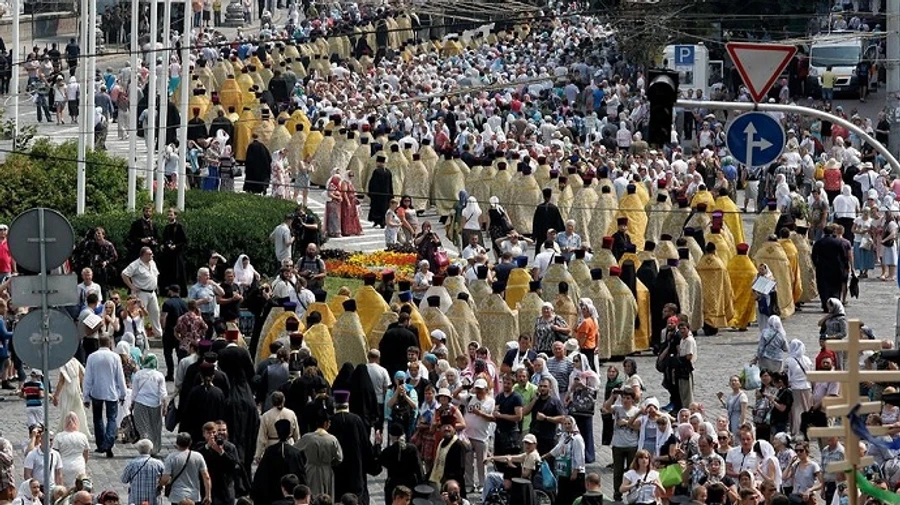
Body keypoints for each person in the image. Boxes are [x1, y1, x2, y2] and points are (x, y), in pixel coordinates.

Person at [82, 335, 127, 458]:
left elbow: (88, 378)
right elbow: (120, 377)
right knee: (111, 418)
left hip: (96, 391)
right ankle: (108, 443)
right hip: (111, 391)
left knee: (98, 419)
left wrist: (85, 396)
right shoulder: (115, 357)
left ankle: (101, 443)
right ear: (110, 343)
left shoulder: (92, 357)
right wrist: (123, 393)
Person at [252, 419, 307, 505]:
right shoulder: (295, 453)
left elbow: (261, 476)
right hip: (292, 495)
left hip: (272, 495)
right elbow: (301, 474)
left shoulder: (270, 451)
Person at [295, 412, 343, 498]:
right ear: (325, 423)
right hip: (326, 470)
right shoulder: (332, 439)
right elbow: (339, 458)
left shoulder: (307, 438)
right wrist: (330, 463)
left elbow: (295, 449)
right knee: (327, 495)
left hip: (311, 469)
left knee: (313, 495)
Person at [121, 246, 162, 338]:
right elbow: (124, 274)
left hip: (152, 292)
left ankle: (158, 333)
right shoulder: (135, 264)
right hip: (141, 292)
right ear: (143, 255)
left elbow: (156, 275)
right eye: (150, 254)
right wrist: (131, 286)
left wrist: (156, 286)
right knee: (140, 313)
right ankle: (141, 334)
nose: (152, 255)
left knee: (155, 312)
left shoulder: (152, 263)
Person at [160, 432, 211, 505]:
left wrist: (161, 484)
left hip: (177, 496)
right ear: (190, 443)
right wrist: (208, 495)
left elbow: (165, 479)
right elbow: (206, 477)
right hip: (194, 495)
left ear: (177, 443)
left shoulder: (171, 457)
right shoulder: (198, 456)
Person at [131, 354, 167, 455]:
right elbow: (163, 393)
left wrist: (132, 403)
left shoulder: (138, 374)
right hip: (155, 404)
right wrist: (165, 406)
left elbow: (135, 392)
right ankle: (154, 448)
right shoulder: (159, 375)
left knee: (143, 427)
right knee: (155, 427)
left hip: (141, 403)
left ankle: (145, 447)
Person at [547, 416, 587, 505]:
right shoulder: (564, 436)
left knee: (573, 497)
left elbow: (580, 456)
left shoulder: (577, 438)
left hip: (575, 473)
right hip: (564, 471)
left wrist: (575, 471)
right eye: (565, 424)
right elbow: (558, 448)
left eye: (569, 423)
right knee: (562, 496)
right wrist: (547, 455)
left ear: (573, 424)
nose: (567, 426)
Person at [120, 440, 165, 505]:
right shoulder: (158, 464)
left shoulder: (131, 464)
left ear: (138, 450)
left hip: (136, 499)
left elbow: (124, 480)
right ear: (151, 450)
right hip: (153, 498)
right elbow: (165, 479)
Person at [52, 412, 89, 485]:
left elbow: (55, 453)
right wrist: (84, 462)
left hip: (64, 465)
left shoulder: (59, 436)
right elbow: (86, 453)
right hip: (79, 464)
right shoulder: (82, 436)